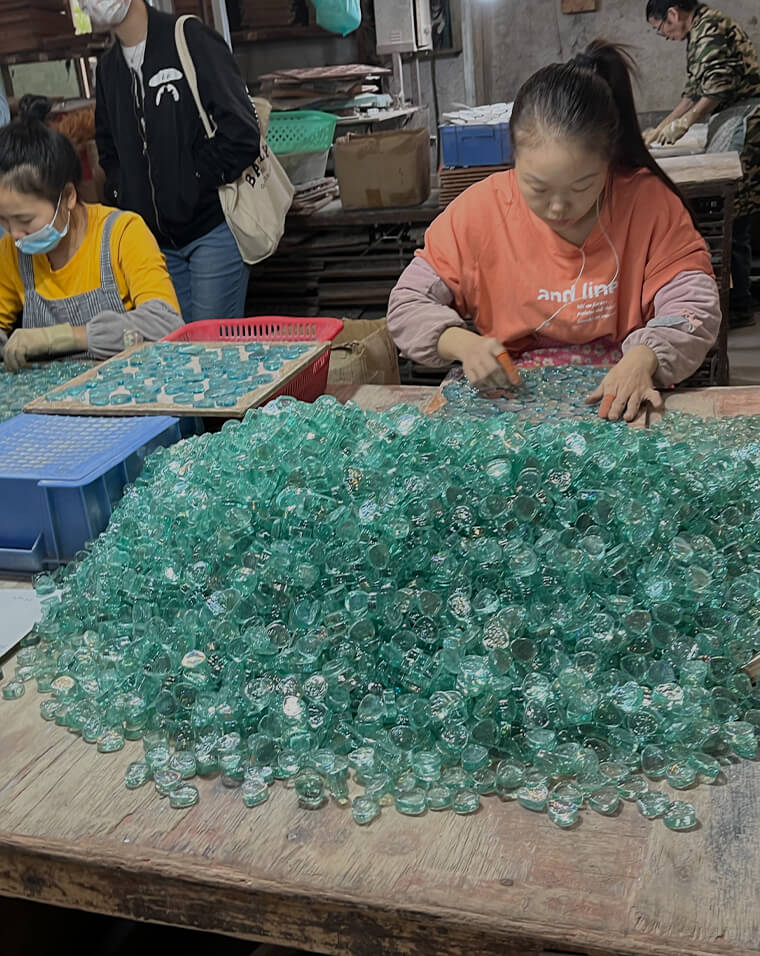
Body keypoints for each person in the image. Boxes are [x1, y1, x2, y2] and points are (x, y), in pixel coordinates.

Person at [387, 41, 720, 423]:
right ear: (513, 157)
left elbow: (694, 304)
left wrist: (646, 357)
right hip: (508, 398)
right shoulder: (478, 212)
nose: (559, 208)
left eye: (581, 187)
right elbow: (407, 303)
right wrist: (459, 341)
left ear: (609, 161)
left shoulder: (648, 204)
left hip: (621, 391)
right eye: (538, 188)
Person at [86, 0, 261, 323]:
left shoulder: (189, 38)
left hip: (211, 229)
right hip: (155, 245)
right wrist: (124, 194)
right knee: (178, 352)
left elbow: (242, 133)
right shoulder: (109, 69)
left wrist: (193, 180)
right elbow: (107, 148)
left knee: (210, 352)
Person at [0, 95, 183, 371]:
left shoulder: (122, 234)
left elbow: (166, 324)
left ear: (69, 196)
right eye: (3, 220)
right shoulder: (12, 251)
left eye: (24, 220)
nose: (14, 234)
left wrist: (61, 337)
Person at [643, 1, 760, 329]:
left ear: (673, 13)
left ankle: (738, 304)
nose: (664, 35)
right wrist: (663, 126)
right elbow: (694, 89)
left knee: (733, 212)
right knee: (731, 214)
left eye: (661, 27)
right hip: (730, 115)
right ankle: (734, 299)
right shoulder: (699, 32)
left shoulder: (709, 27)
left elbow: (717, 87)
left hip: (745, 117)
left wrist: (687, 123)